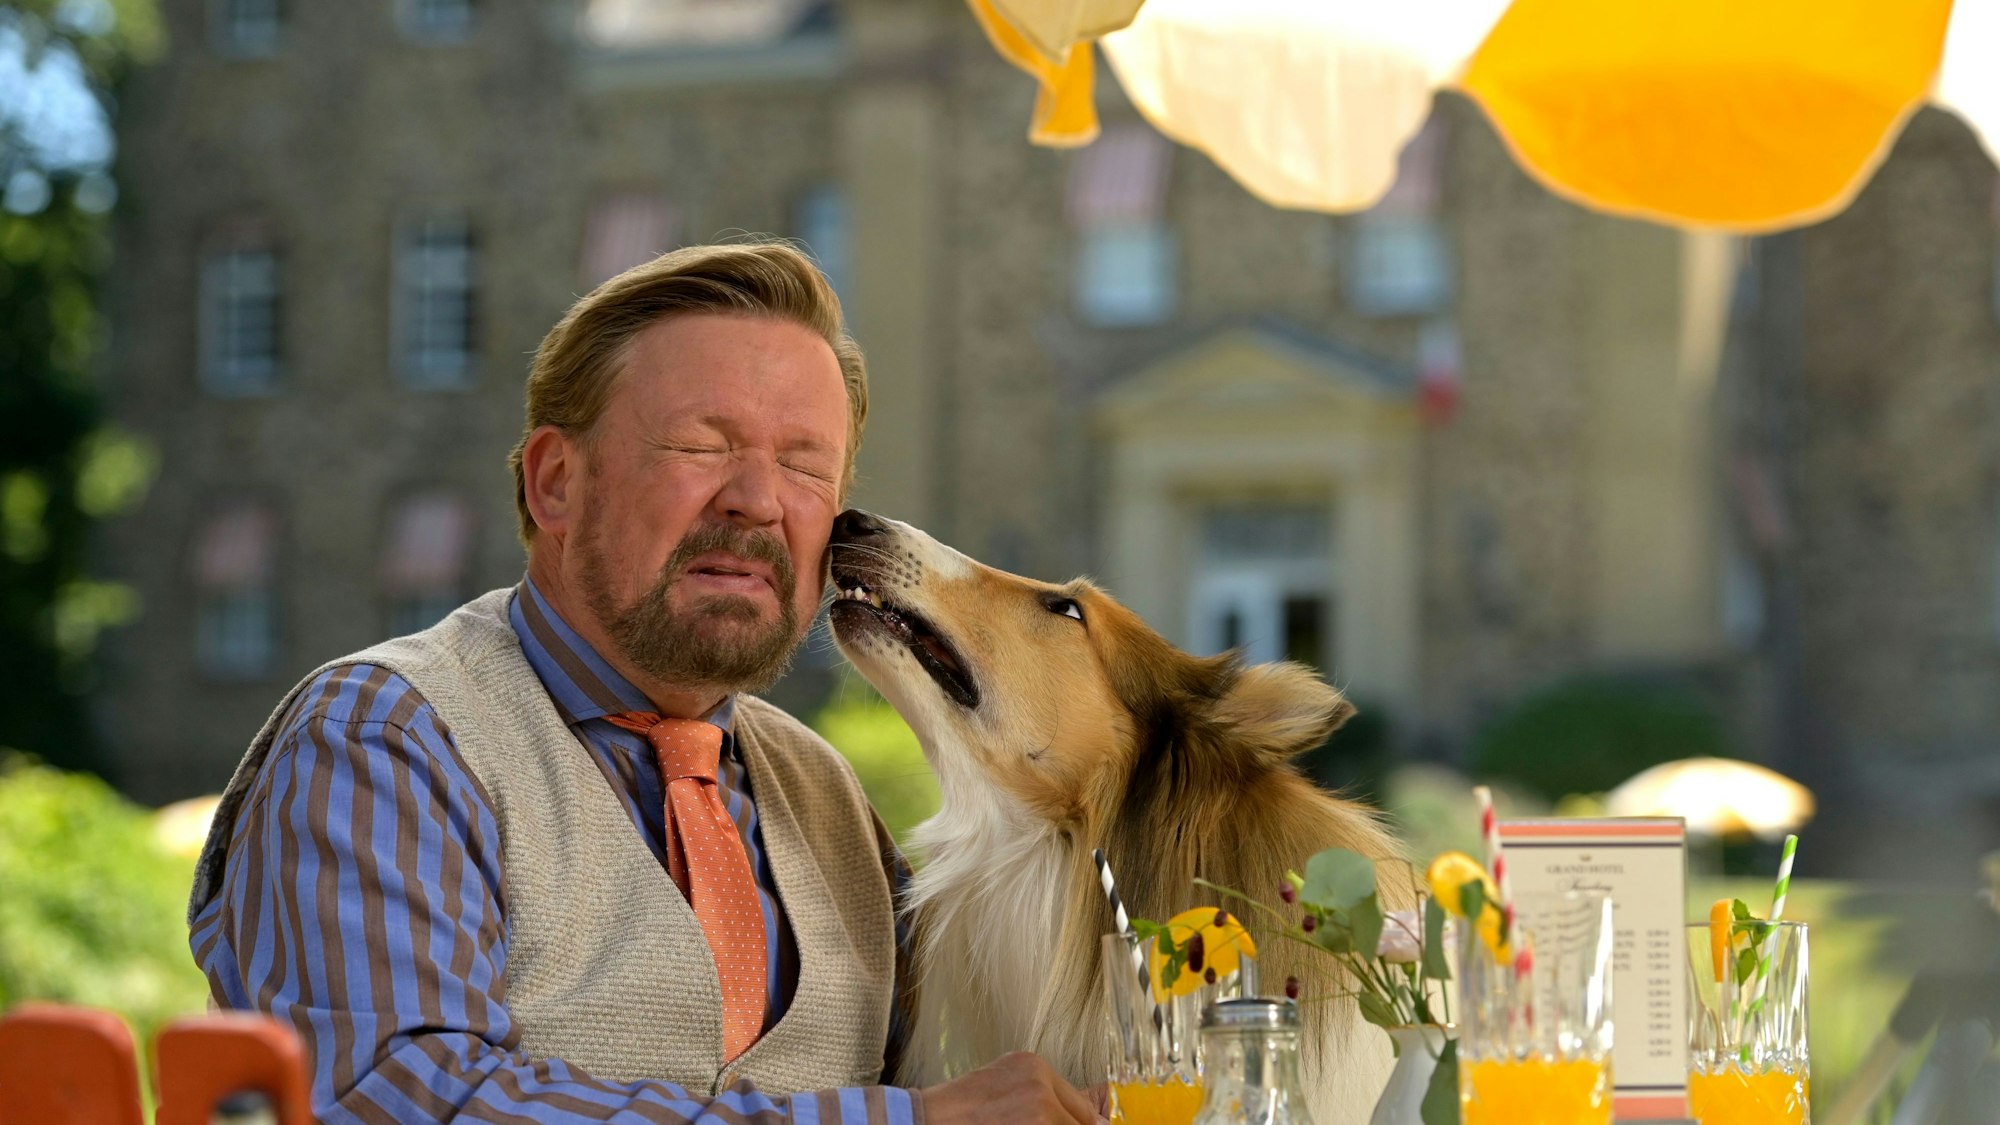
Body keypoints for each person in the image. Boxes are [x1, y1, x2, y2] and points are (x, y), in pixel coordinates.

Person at [186, 242, 1102, 1125]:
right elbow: (403, 1098)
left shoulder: (827, 797)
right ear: (555, 483)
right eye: (703, 446)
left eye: (804, 464)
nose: (758, 498)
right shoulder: (382, 741)